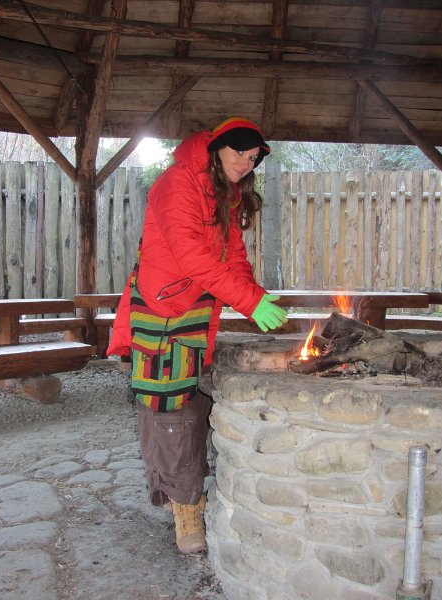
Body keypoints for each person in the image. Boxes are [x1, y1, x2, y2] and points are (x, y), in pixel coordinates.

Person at [107, 116, 288, 554]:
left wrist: (256, 296)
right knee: (166, 409)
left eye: (253, 159)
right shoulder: (178, 183)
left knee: (190, 401)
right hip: (163, 311)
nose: (246, 164)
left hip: (196, 310)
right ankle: (184, 506)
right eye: (239, 152)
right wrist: (249, 302)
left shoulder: (224, 195)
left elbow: (234, 257)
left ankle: (185, 489)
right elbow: (191, 257)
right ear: (216, 147)